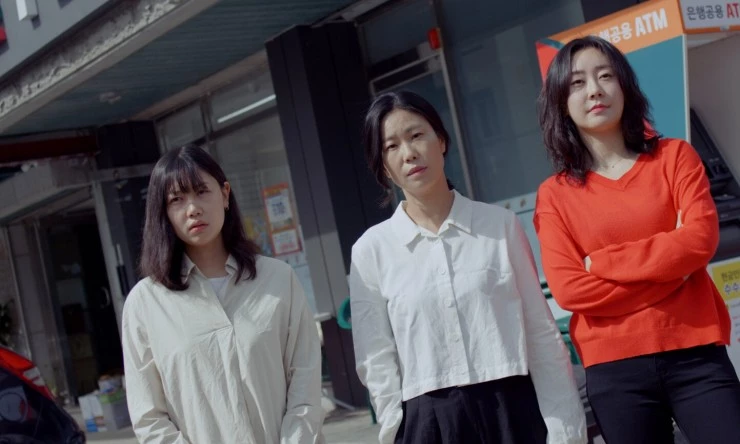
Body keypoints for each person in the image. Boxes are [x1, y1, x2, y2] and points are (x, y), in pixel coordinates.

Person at [349, 91, 586, 444]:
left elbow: (539, 332)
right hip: (428, 421)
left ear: (441, 141)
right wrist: (394, 427)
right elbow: (376, 358)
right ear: (383, 166)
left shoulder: (500, 226)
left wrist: (566, 428)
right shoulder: (371, 250)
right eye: (391, 146)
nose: (409, 153)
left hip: (512, 410)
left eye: (416, 135)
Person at [535, 36, 740, 444]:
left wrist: (603, 263)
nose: (594, 90)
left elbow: (699, 241)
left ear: (625, 86)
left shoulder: (675, 157)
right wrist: (671, 271)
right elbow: (570, 288)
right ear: (561, 102)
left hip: (695, 352)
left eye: (605, 76)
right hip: (615, 371)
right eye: (577, 83)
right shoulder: (554, 195)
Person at [121, 145, 324, 444]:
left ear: (225, 194)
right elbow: (149, 417)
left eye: (202, 191)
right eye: (177, 199)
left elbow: (305, 381)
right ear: (163, 212)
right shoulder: (145, 304)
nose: (193, 209)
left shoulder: (278, 280)